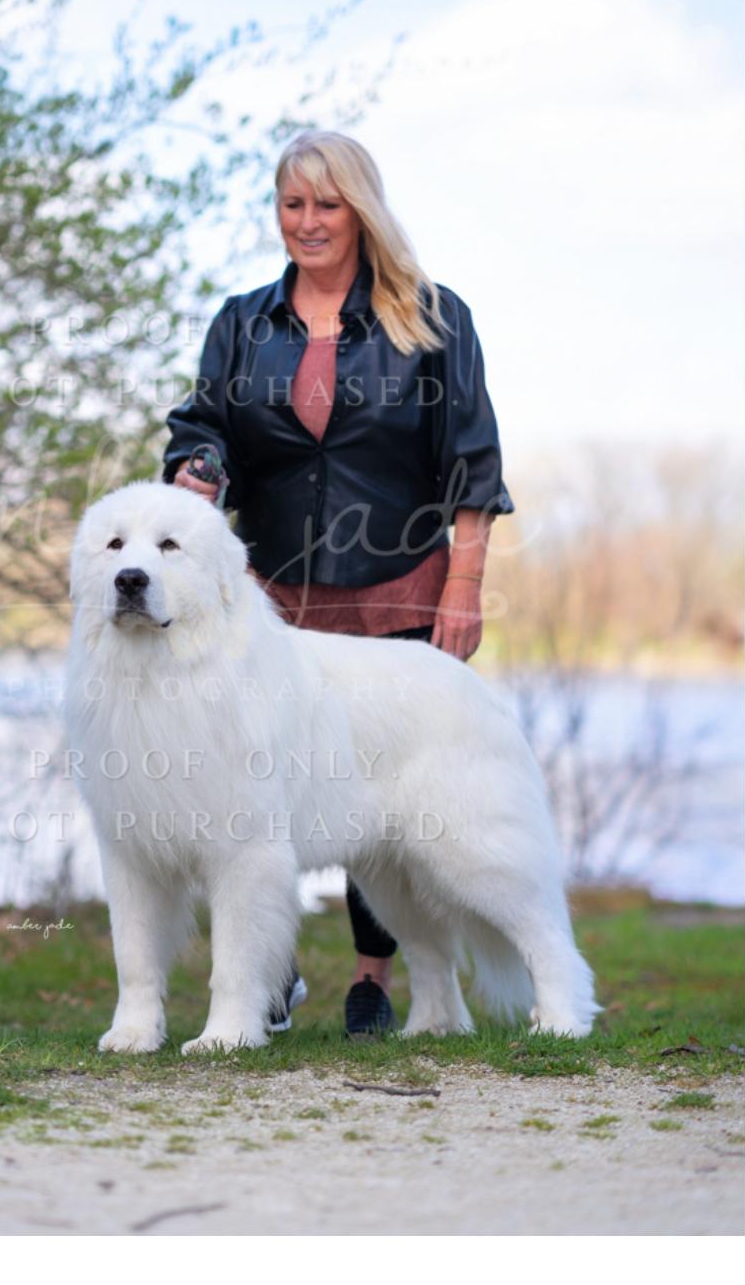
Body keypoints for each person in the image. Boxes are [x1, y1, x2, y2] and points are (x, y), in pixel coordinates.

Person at [160, 128, 514, 1037]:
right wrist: (199, 467)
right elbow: (203, 426)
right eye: (293, 203)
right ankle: (266, 973)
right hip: (269, 601)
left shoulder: (433, 317)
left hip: (398, 585)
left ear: (361, 211)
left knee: (385, 787)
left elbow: (472, 462)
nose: (308, 221)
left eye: (327, 204)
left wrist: (464, 585)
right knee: (254, 786)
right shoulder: (242, 323)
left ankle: (373, 981)